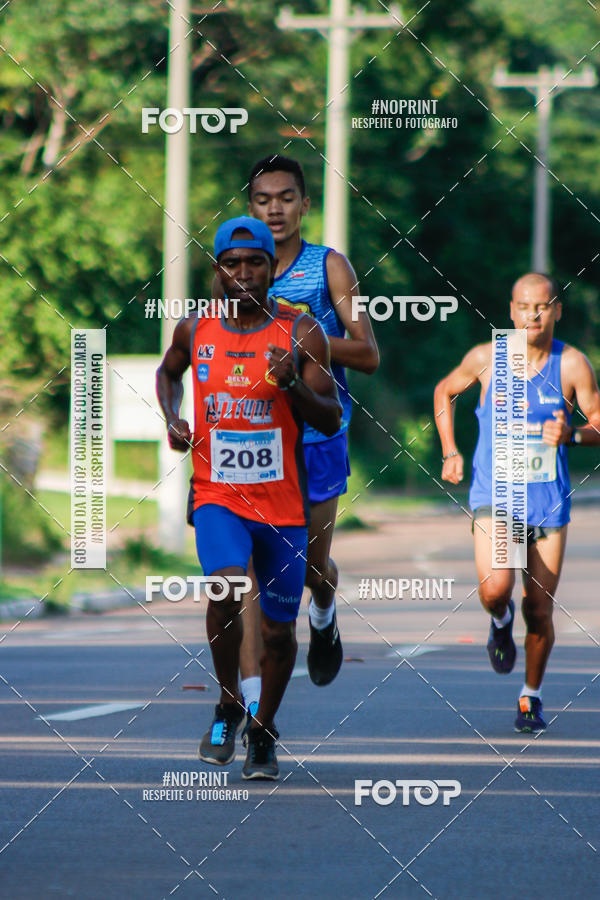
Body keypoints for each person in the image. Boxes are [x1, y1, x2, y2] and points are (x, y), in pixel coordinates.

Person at [157, 215, 341, 778]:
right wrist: (173, 417)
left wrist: (290, 385)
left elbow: (331, 417)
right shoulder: (196, 329)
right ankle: (228, 701)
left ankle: (262, 731)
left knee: (281, 635)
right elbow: (169, 373)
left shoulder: (300, 332)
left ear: (271, 269)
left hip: (283, 505)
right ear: (216, 271)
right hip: (218, 495)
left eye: (254, 262)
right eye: (231, 264)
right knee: (227, 587)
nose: (242, 273)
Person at [213, 155, 379, 728]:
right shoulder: (239, 268)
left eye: (286, 198)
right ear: (250, 207)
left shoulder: (330, 268)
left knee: (309, 568)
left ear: (304, 205)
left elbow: (370, 351)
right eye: (263, 200)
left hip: (317, 433)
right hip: (257, 442)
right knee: (256, 573)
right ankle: (258, 708)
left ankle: (325, 612)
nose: (275, 209)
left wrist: (307, 347)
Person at [434, 273, 600, 732]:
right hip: (496, 496)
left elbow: (599, 423)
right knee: (495, 589)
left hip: (548, 501)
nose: (533, 314)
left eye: (543, 306)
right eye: (524, 306)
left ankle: (530, 697)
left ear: (557, 310)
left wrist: (573, 434)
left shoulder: (573, 365)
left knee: (541, 610)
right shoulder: (487, 358)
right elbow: (444, 391)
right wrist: (450, 449)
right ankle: (500, 619)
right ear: (511, 311)